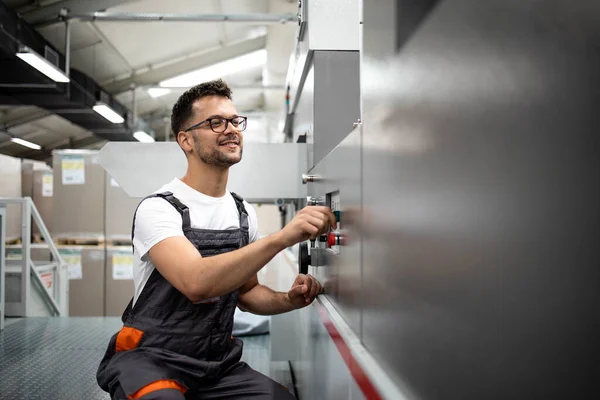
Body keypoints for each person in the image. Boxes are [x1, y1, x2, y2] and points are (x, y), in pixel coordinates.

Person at [96, 79, 336, 400]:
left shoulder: (242, 213)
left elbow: (248, 294)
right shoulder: (159, 208)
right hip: (152, 359)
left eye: (236, 121)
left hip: (215, 364)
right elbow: (196, 283)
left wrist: (288, 299)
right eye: (216, 122)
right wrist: (283, 237)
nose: (232, 129)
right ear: (186, 140)